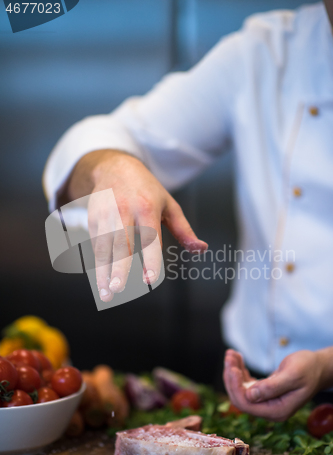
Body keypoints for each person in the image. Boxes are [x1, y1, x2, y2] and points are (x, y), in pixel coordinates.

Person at [43, 1, 333, 421]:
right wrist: (112, 166)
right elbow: (107, 136)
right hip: (251, 377)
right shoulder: (269, 52)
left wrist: (325, 365)